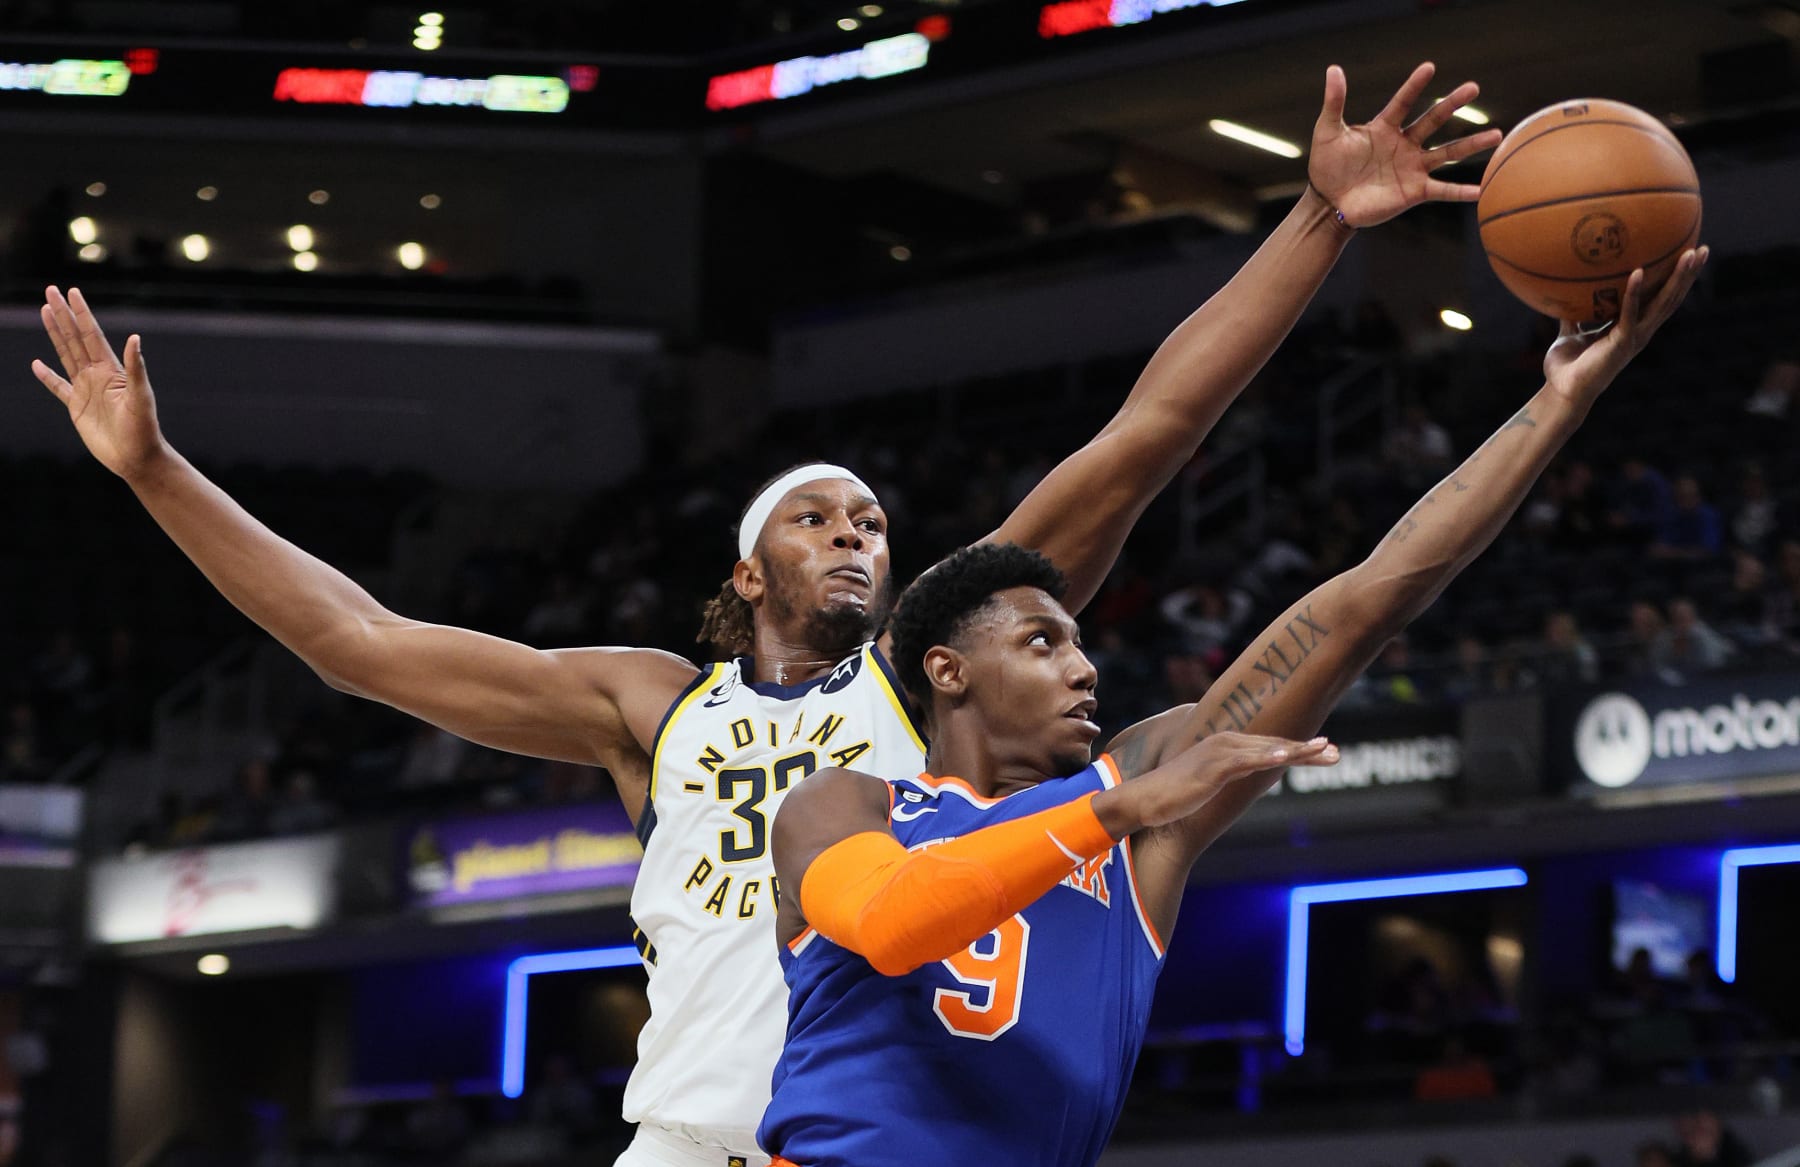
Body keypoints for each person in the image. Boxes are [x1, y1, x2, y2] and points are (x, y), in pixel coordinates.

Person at [28, 63, 1500, 1167]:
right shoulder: (650, 704)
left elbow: (1149, 428)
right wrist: (156, 469)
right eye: (817, 514)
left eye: (870, 514)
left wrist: (1318, 219)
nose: (857, 530)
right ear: (748, 571)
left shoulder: (928, 675)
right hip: (679, 1139)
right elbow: (354, 640)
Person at [760, 251, 1705, 1167]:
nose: (1085, 669)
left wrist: (1557, 406)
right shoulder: (847, 805)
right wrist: (1114, 808)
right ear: (948, 670)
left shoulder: (1140, 808)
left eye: (1084, 643)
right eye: (1043, 643)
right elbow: (891, 924)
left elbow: (1366, 601)